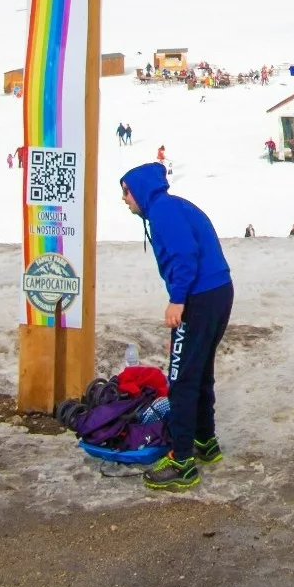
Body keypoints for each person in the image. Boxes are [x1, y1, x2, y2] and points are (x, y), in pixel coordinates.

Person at [119, 163, 233, 492]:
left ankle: (182, 461)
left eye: (126, 191)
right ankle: (204, 441)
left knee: (181, 378)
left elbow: (186, 255)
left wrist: (178, 299)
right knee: (198, 372)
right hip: (217, 291)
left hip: (198, 297)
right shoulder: (172, 206)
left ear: (140, 189)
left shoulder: (163, 210)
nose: (124, 199)